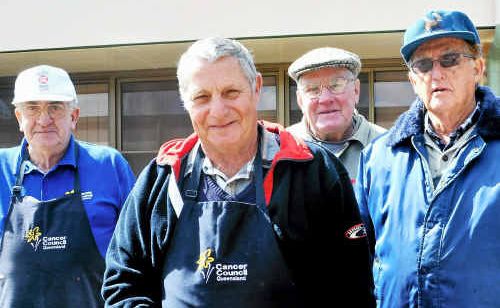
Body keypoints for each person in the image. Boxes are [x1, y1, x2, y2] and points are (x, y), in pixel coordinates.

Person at [102, 37, 374, 307]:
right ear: (186, 102)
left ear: (256, 88)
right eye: (202, 97)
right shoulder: (162, 179)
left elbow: (352, 287)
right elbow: (123, 284)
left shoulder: (314, 171)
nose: (218, 111)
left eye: (231, 92)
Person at [355, 10, 500, 307]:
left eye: (450, 59)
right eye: (423, 64)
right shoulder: (379, 158)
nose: (436, 73)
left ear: (478, 69)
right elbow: (360, 258)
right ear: (412, 79)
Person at [0, 65, 135, 307]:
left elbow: (140, 258)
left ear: (73, 117)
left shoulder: (109, 165)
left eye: (55, 107)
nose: (44, 119)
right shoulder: (1, 168)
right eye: (33, 108)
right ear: (20, 118)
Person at [287, 47, 385, 182]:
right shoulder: (280, 150)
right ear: (300, 100)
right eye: (313, 89)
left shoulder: (389, 148)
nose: (325, 99)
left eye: (336, 85)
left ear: (356, 90)